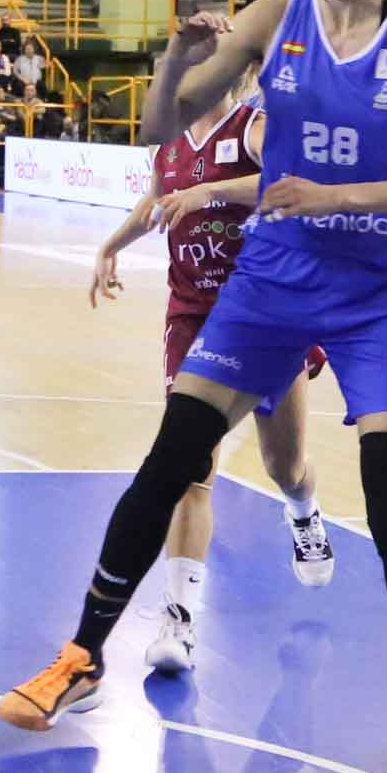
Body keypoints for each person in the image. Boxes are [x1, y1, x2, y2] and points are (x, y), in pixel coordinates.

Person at [0, 0, 387, 773]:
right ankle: (83, 654)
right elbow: (172, 120)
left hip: (380, 289)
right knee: (171, 456)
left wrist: (333, 194)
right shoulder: (275, 12)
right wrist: (181, 55)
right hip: (274, 278)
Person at [83, 72, 333, 676]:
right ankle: (179, 618)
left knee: (285, 465)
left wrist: (211, 195)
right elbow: (156, 204)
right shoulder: (169, 146)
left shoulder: (253, 127)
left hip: (267, 314)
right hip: (195, 321)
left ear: (238, 74)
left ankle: (303, 510)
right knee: (191, 470)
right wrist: (110, 244)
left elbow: (292, 182)